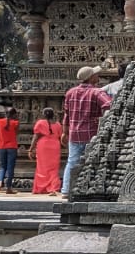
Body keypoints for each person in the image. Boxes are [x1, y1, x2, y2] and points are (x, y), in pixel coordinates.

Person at [61, 65, 112, 196]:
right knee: (94, 162)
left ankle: (66, 190)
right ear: (91, 78)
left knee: (72, 162)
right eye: (95, 74)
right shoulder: (97, 92)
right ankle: (90, 188)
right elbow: (109, 104)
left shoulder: (70, 93)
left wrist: (64, 132)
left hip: (74, 134)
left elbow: (66, 114)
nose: (97, 76)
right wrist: (101, 119)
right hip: (92, 134)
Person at [29, 108, 62, 195]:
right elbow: (60, 136)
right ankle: (53, 188)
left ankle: (41, 187)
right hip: (55, 146)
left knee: (42, 168)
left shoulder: (40, 123)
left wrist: (31, 149)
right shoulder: (58, 124)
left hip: (43, 146)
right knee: (54, 168)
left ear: (44, 115)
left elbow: (35, 137)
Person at [0, 107, 19, 194]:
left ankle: (0, 182)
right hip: (12, 146)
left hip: (1, 146)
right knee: (10, 167)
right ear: (14, 115)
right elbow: (16, 133)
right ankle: (8, 187)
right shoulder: (15, 123)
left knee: (3, 166)